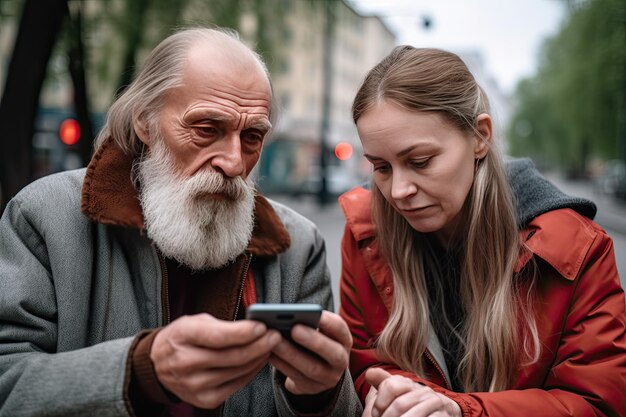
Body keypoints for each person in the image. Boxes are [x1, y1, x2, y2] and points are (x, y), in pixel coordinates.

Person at [0, 27, 362, 417]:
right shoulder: (44, 217)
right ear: (145, 122)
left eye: (252, 136)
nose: (234, 163)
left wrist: (320, 393)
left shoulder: (298, 245)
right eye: (207, 130)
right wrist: (141, 370)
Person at [339, 46, 626, 417]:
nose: (398, 192)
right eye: (381, 167)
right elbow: (363, 366)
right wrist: (395, 396)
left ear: (480, 136)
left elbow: (597, 403)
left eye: (420, 162)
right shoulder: (366, 233)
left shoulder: (575, 247)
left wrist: (460, 411)